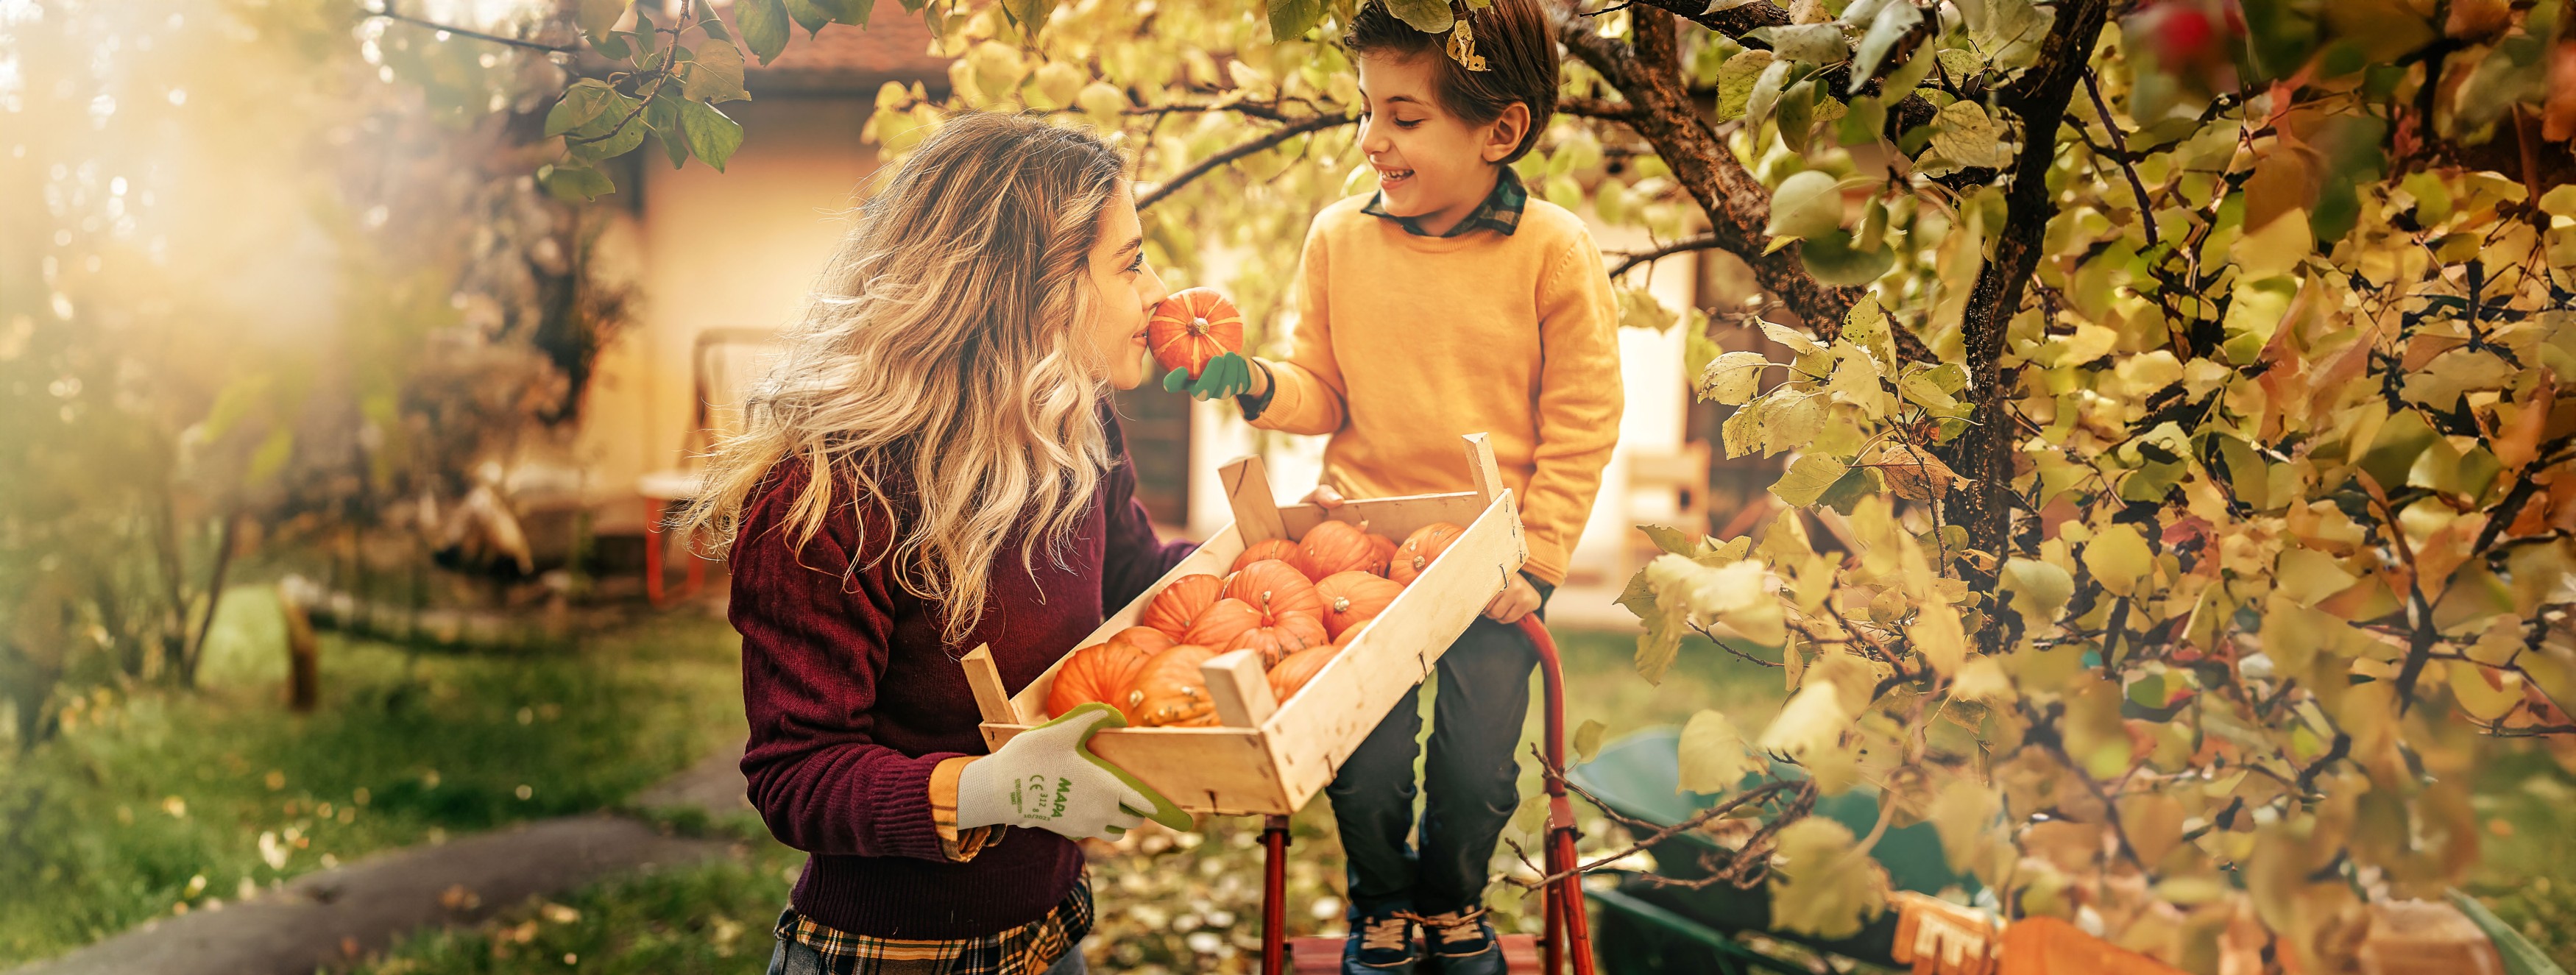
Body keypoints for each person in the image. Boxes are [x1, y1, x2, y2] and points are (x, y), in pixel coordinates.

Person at [676, 113, 1192, 975]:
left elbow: (1137, 579)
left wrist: (1285, 558)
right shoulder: (824, 494)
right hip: (890, 955)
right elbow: (797, 773)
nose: (1157, 291)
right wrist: (993, 789)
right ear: (1038, 287)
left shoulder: (1075, 428)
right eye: (1132, 261)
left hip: (1052, 935)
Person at [1171, 1, 1623, 971]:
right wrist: (1251, 382)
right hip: (1360, 550)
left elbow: (1583, 424)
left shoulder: (1552, 250)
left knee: (1475, 770)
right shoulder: (1341, 238)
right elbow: (1319, 388)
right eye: (1368, 110)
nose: (1373, 140)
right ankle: (1382, 900)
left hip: (1487, 559)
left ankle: (1453, 900)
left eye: (1406, 118)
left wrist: (1538, 561)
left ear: (1500, 129)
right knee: (1364, 764)